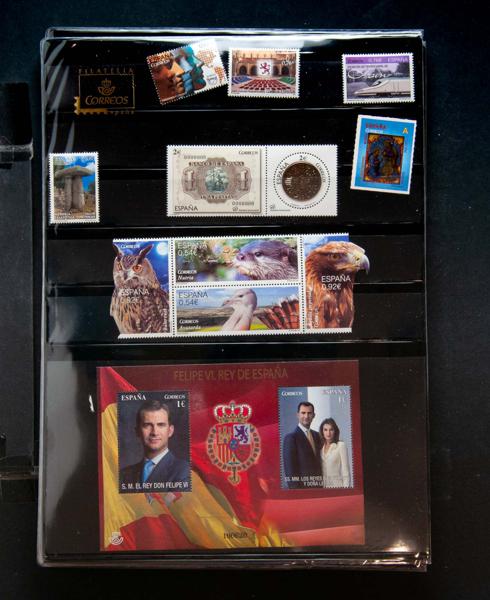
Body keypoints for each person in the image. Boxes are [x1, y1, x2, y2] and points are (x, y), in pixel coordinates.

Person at [120, 399, 190, 488]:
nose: (154, 432)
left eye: (161, 425)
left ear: (170, 431)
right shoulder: (124, 474)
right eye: (147, 425)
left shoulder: (185, 470)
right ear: (137, 431)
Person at [282, 401, 323, 489]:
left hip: (319, 489)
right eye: (303, 413)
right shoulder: (291, 438)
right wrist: (298, 494)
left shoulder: (317, 436)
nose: (306, 416)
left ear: (314, 415)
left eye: (309, 413)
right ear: (298, 415)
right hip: (302, 491)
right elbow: (290, 473)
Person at [318, 417, 351, 488]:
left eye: (331, 430)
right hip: (323, 488)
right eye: (325, 430)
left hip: (338, 487)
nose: (328, 433)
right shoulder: (320, 448)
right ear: (322, 431)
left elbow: (345, 471)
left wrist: (346, 490)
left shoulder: (341, 445)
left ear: (335, 431)